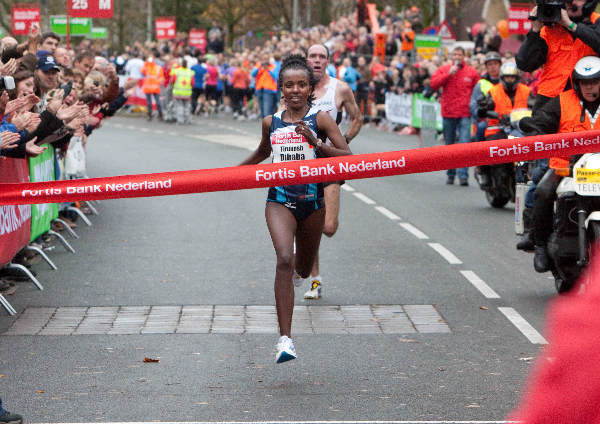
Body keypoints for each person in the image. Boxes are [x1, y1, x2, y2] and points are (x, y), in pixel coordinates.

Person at [239, 54, 351, 363]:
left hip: (312, 202)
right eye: (289, 85)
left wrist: (316, 143)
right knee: (284, 260)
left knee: (302, 268)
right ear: (281, 89)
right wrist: (230, 174)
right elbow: (262, 152)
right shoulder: (270, 122)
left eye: (302, 84)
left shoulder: (322, 119)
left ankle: (303, 273)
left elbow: (346, 155)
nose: (295, 90)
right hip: (279, 200)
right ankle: (285, 340)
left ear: (310, 88)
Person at [520, 56, 600, 272]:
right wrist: (535, 127)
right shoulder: (563, 101)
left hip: (598, 169)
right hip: (565, 168)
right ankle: (540, 246)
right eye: (585, 82)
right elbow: (543, 119)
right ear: (577, 83)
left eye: (594, 81)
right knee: (543, 192)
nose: (589, 86)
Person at [304, 44, 362, 300]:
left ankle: (303, 240)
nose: (317, 61)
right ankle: (315, 282)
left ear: (328, 60)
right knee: (310, 224)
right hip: (302, 164)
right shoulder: (297, 87)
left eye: (321, 57)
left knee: (328, 226)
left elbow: (357, 118)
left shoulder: (340, 89)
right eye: (312, 56)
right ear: (306, 60)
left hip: (329, 163)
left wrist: (344, 140)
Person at [516, 0, 600, 113]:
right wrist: (535, 31)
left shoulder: (597, 21)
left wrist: (571, 25)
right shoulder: (549, 28)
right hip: (550, 100)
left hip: (589, 99)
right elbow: (524, 63)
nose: (570, 3)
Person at [476, 62, 533, 187]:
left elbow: (534, 105)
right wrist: (485, 108)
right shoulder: (493, 91)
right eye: (507, 77)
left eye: (512, 77)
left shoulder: (526, 91)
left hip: (520, 128)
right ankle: (483, 171)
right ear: (502, 77)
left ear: (517, 78)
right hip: (498, 127)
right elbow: (484, 106)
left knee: (532, 149)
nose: (510, 80)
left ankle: (527, 175)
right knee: (491, 150)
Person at [430, 46, 480, 186]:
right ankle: (451, 174)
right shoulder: (444, 69)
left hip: (465, 113)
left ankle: (463, 176)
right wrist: (448, 74)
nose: (457, 57)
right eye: (455, 54)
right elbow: (433, 84)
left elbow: (479, 90)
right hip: (449, 112)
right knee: (450, 145)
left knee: (464, 145)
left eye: (460, 54)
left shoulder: (471, 71)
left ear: (464, 56)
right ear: (452, 56)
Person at [470, 51, 502, 143]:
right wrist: (481, 115)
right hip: (487, 120)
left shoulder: (508, 81)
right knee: (481, 128)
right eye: (490, 64)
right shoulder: (481, 84)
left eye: (495, 63)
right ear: (486, 67)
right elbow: (473, 105)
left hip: (505, 119)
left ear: (500, 65)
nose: (493, 67)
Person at [141, 53, 164, 121]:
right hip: (148, 88)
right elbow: (142, 71)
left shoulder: (158, 68)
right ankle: (150, 115)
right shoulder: (146, 67)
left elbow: (161, 77)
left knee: (158, 102)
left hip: (155, 88)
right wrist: (146, 63)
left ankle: (160, 114)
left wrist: (158, 82)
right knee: (149, 103)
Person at [171, 59, 194, 125]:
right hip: (187, 93)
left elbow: (173, 80)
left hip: (178, 92)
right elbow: (192, 83)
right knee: (187, 107)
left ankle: (180, 120)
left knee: (179, 107)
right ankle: (187, 120)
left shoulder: (177, 71)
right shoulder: (190, 72)